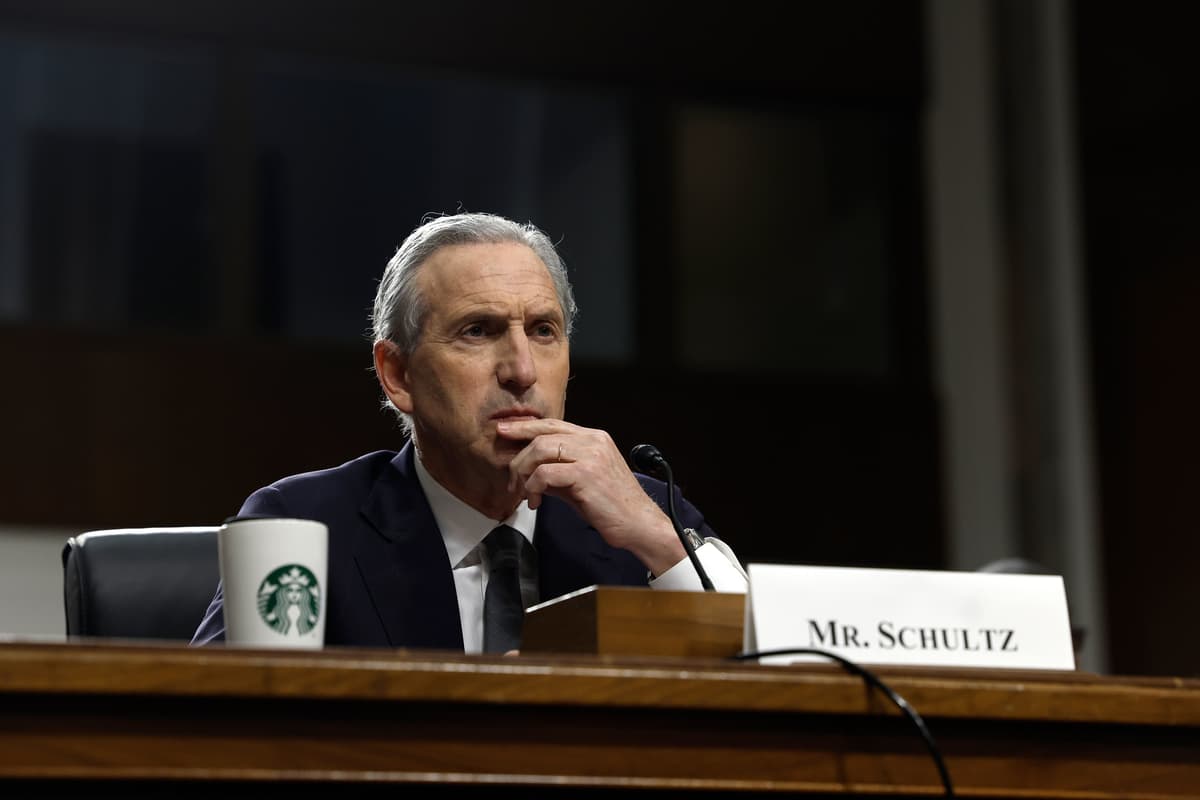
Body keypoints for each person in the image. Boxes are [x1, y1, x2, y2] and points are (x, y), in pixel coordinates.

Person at [192, 211, 747, 653]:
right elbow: (211, 733)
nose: (522, 370)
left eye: (543, 331)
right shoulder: (307, 526)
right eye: (478, 331)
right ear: (399, 375)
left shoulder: (650, 519)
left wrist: (660, 541)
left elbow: (776, 679)